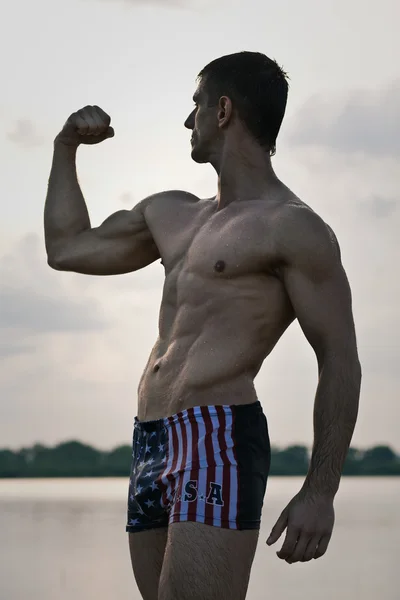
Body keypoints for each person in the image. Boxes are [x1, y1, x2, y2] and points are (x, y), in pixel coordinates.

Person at [44, 51, 361, 600]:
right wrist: (64, 148)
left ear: (223, 110)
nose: (187, 120)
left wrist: (320, 489)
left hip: (218, 432)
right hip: (150, 437)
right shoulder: (171, 212)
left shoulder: (293, 227)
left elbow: (340, 358)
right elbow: (67, 249)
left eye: (195, 105)